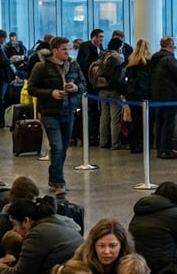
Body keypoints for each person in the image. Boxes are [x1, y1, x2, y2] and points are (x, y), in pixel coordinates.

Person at [27, 36, 87, 197]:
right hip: (49, 112)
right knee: (57, 146)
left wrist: (75, 87)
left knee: (63, 148)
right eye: (64, 49)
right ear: (55, 51)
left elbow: (83, 83)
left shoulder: (73, 65)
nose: (67, 52)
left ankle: (54, 177)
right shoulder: (41, 67)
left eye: (68, 49)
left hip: (69, 111)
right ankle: (59, 182)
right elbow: (32, 88)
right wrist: (51, 93)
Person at [149, 36, 177, 159]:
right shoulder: (169, 59)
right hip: (169, 96)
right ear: (169, 45)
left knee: (159, 122)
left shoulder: (154, 58)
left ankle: (160, 148)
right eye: (174, 45)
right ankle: (166, 150)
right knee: (169, 123)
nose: (175, 48)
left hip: (157, 95)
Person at [94, 37, 128, 150]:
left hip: (102, 88)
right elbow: (120, 76)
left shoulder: (103, 55)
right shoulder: (118, 57)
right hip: (114, 90)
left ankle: (103, 142)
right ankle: (115, 143)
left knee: (104, 116)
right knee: (115, 117)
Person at [123, 39, 152, 154]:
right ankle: (146, 145)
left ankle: (134, 145)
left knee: (133, 122)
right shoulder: (148, 64)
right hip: (144, 96)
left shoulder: (130, 63)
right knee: (145, 122)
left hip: (131, 97)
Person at [77, 29, 105, 146]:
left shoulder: (101, 48)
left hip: (96, 85)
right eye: (99, 37)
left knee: (95, 112)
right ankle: (88, 135)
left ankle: (94, 135)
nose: (101, 39)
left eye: (102, 37)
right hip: (88, 85)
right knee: (89, 111)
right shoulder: (86, 47)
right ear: (93, 37)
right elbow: (84, 63)